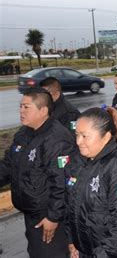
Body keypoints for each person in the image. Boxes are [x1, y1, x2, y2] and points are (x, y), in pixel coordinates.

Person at [0, 88, 75, 258]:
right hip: (32, 213)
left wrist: (53, 218)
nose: (21, 111)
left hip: (48, 216)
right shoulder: (24, 134)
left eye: (26, 107)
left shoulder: (57, 140)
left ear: (43, 110)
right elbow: (8, 165)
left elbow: (62, 182)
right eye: (20, 106)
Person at [65, 107, 117, 258]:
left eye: (85, 136)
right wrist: (74, 242)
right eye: (77, 135)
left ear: (106, 136)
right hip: (89, 250)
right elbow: (72, 207)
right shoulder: (78, 162)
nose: (78, 142)